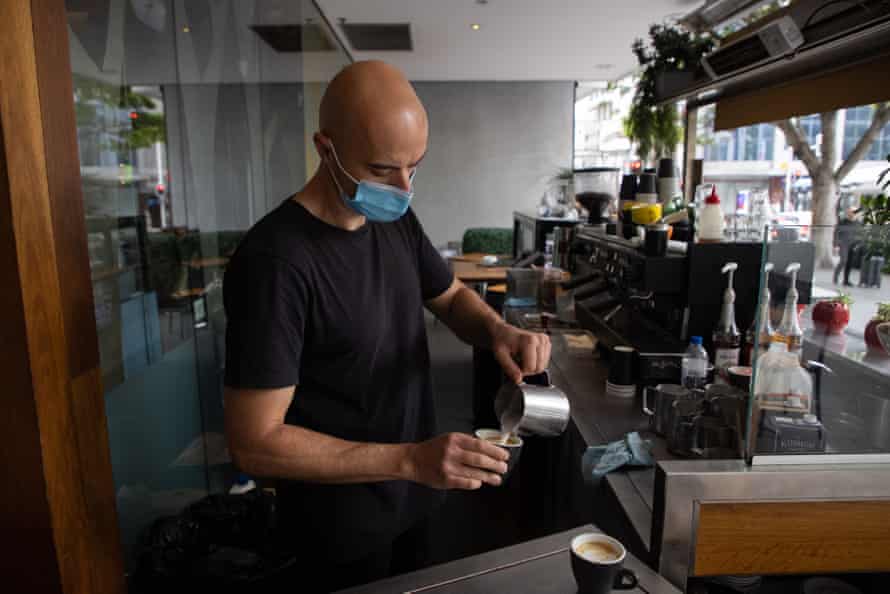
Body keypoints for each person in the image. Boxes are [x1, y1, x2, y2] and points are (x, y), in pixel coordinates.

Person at [222, 61, 551, 592]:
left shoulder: (393, 217)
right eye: (381, 170)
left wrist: (498, 332)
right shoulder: (275, 263)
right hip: (339, 532)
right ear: (325, 148)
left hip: (415, 498)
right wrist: (409, 459)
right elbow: (254, 442)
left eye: (414, 167)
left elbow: (448, 297)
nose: (403, 188)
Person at [834, 207, 862, 286]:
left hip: (853, 245)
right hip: (843, 244)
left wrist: (858, 244)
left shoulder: (858, 223)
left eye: (854, 212)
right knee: (843, 260)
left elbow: (861, 235)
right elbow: (836, 233)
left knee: (849, 263)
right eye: (851, 212)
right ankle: (835, 277)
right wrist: (836, 245)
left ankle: (846, 280)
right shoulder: (842, 222)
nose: (852, 214)